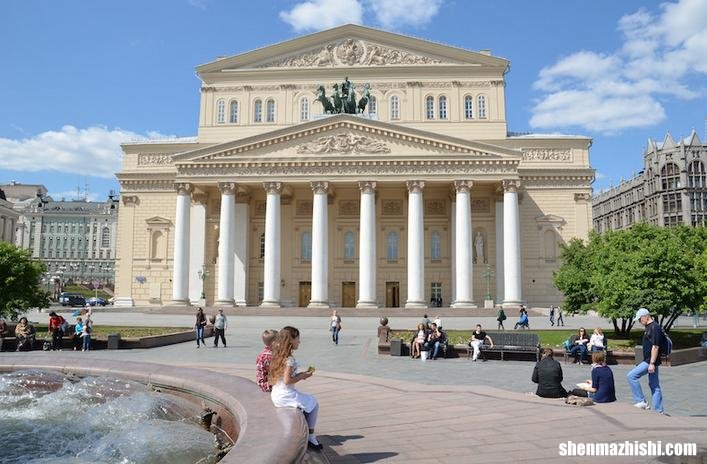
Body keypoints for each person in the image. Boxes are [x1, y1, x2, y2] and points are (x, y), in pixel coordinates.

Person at [268, 326, 322, 450]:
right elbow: (287, 381)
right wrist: (302, 376)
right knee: (313, 403)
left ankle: (306, 434)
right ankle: (311, 437)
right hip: (286, 395)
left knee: (306, 403)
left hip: (277, 393)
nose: (299, 341)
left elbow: (284, 378)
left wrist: (300, 375)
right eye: (297, 338)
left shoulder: (278, 355)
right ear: (290, 340)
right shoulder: (289, 359)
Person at [627, 307, 665, 413]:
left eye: (640, 319)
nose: (639, 321)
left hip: (650, 361)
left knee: (631, 376)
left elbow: (655, 346)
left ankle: (641, 401)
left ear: (646, 316)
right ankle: (659, 411)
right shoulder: (650, 327)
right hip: (650, 361)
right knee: (654, 385)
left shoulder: (654, 327)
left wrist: (652, 363)